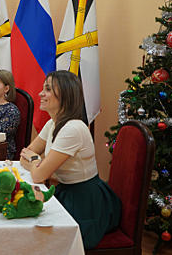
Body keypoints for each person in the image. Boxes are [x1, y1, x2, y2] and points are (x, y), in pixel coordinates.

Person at [20, 70, 121, 249]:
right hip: (67, 193)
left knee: (40, 237)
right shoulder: (53, 123)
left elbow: (37, 173)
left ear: (65, 95)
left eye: (48, 89)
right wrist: (35, 160)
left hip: (87, 203)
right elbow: (24, 156)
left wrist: (35, 159)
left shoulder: (72, 129)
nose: (41, 94)